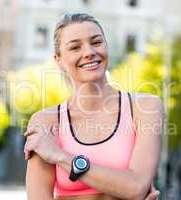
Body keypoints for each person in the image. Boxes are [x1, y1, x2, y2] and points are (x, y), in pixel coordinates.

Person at [23, 13, 163, 200]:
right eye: (75, 47)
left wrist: (60, 156)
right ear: (59, 61)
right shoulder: (45, 121)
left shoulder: (145, 107)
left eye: (96, 42)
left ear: (107, 46)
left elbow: (136, 187)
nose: (89, 52)